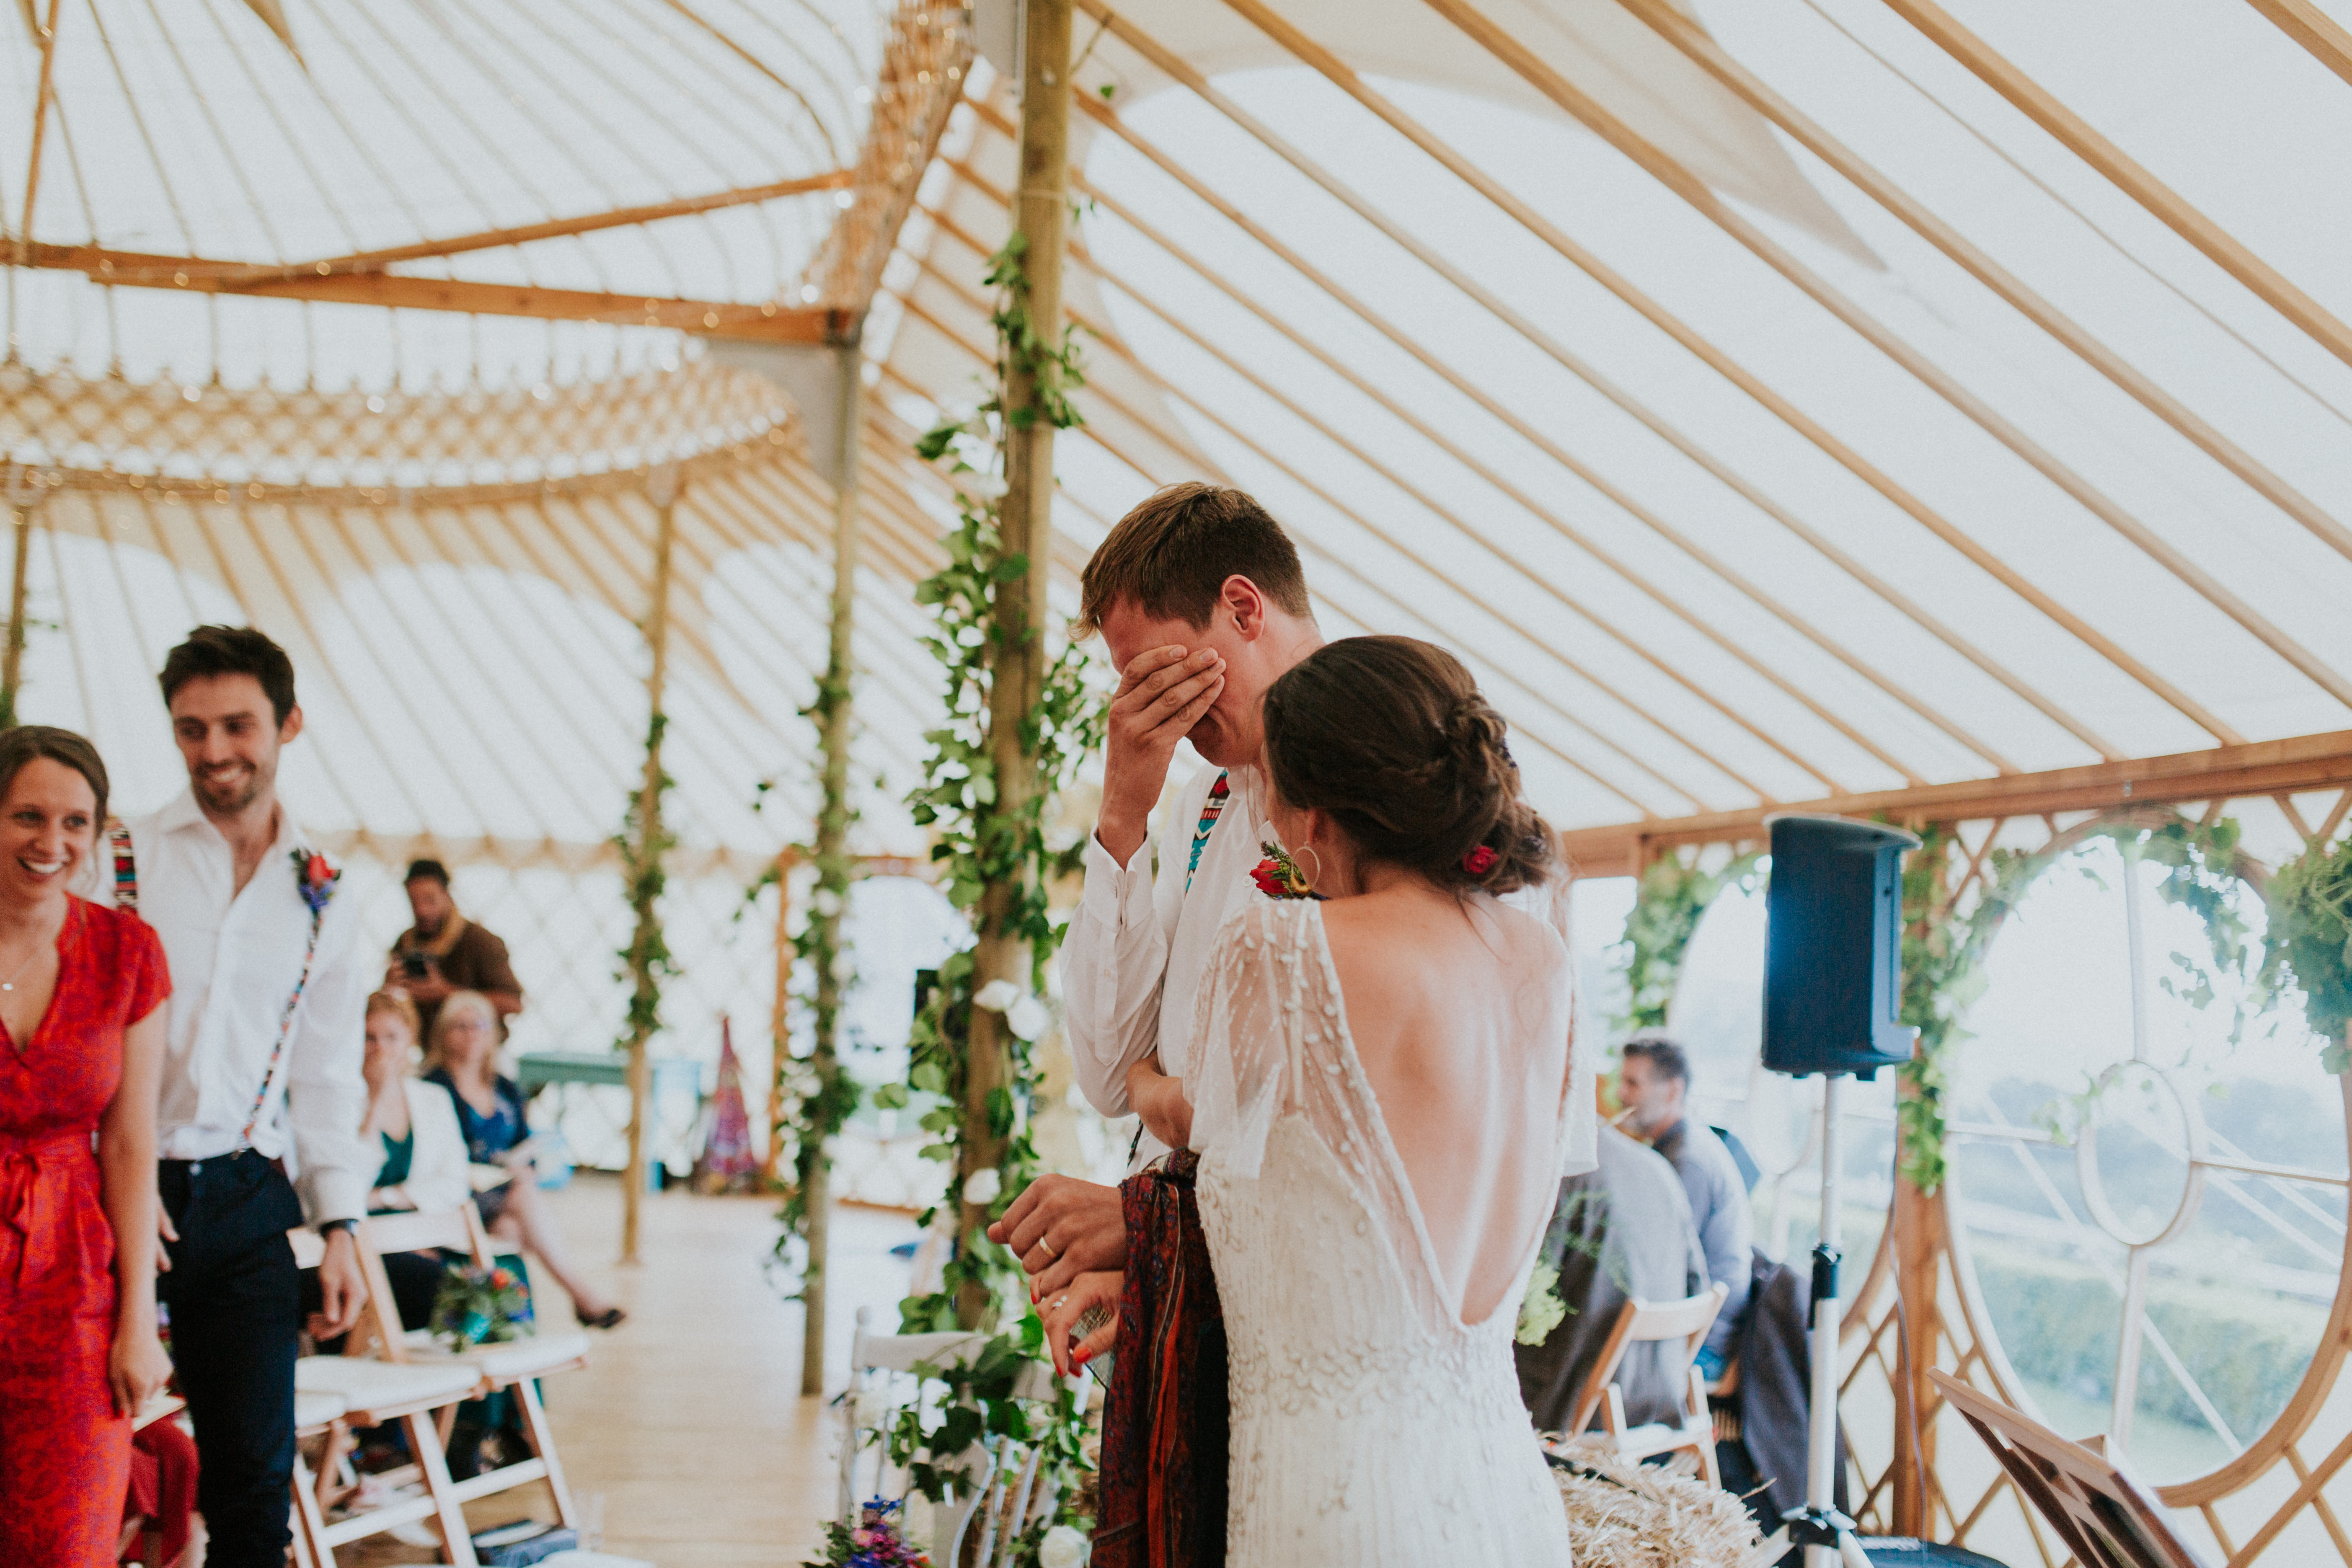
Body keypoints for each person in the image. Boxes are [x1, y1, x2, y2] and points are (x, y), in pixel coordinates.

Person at [1049, 637, 1580, 1560]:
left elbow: (1202, 1129)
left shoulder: (1284, 950)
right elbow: (1344, 1216)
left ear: (1313, 813)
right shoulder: (1539, 960)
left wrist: (1135, 1077)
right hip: (1502, 1489)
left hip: (1340, 1502)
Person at [1004, 483, 1597, 1306]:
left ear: (1242, 607)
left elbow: (1439, 1124)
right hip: (1182, 1295)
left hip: (1339, 1294)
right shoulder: (1196, 807)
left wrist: (1154, 1216)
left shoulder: (1416, 772)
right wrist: (1121, 815)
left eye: (1151, 671)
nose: (1140, 709)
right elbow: (1109, 1073)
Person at [119, 625, 373, 1568]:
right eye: (191, 729)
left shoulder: (329, 894)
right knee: (81, 1459)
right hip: (114, 1188)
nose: (214, 751)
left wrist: (341, 1223)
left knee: (255, 1479)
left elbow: (325, 1073)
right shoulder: (120, 854)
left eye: (237, 725)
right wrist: (126, 1177)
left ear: (288, 723)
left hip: (243, 1191)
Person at [0, 727, 173, 1565]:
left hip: (74, 1287)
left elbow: (132, 1143)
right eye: (27, 815)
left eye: (75, 821)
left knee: (68, 1541)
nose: (51, 841)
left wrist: (137, 1318)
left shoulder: (127, 950)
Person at [424, 989, 625, 1329]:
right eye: (461, 1026)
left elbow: (523, 1141)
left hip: (502, 1195)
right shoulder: (433, 1088)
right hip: (458, 1194)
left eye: (480, 1026)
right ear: (444, 1033)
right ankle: (580, 1295)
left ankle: (498, 1326)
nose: (472, 1034)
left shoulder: (503, 1087)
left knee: (510, 1230)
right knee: (522, 1202)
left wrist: (525, 1167)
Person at [1514, 1121, 1709, 1434]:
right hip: (1662, 1397)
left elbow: (1521, 1301)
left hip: (1575, 1402)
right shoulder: (1659, 1168)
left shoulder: (1564, 1169)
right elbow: (1698, 1284)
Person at [1617, 1036, 1753, 1374]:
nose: (1621, 1094)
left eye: (1633, 1083)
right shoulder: (1678, 1147)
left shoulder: (1687, 1162)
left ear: (1673, 1091)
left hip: (1699, 1343)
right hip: (1689, 1326)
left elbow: (1660, 1263)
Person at [360, 989, 470, 1331]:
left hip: (426, 1230)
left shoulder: (433, 1099)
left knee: (505, 1279)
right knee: (454, 1290)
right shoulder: (341, 1102)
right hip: (368, 1244)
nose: (381, 1049)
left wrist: (387, 1196)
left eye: (391, 1037)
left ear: (410, 1039)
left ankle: (505, 1382)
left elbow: (454, 1182)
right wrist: (375, 1101)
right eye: (369, 1038)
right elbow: (348, 1184)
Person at [387, 858, 522, 1042]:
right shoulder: (406, 943)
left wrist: (447, 993)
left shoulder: (480, 941)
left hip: (481, 1056)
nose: (422, 910)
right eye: (414, 902)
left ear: (447, 895)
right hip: (430, 1055)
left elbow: (513, 1004)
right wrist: (391, 988)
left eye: (429, 900)